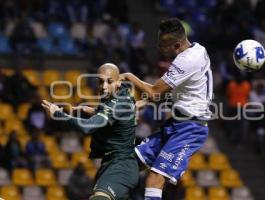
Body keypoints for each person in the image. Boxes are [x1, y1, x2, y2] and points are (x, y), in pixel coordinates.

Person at [122, 18, 213, 200]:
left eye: (163, 45)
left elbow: (156, 92)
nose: (159, 48)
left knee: (154, 179)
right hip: (177, 123)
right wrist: (143, 102)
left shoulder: (186, 61)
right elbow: (176, 92)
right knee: (130, 164)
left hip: (190, 129)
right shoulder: (198, 49)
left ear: (177, 44)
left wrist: (129, 76)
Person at [42, 63, 139, 200]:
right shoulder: (122, 96)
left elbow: (87, 127)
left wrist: (58, 114)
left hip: (120, 167)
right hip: (113, 164)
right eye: (100, 81)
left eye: (109, 81)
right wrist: (95, 111)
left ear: (119, 82)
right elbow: (123, 114)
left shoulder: (116, 103)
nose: (104, 86)